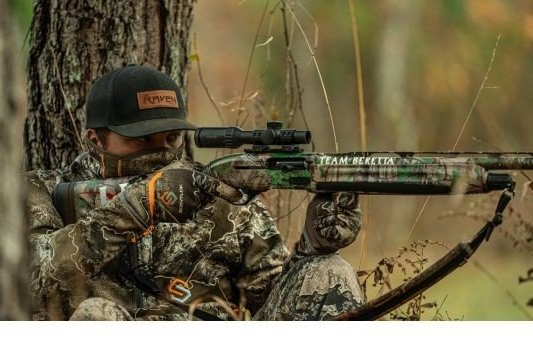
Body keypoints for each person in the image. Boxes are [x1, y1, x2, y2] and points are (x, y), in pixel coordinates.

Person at [27, 64, 364, 320]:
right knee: (97, 315)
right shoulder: (40, 192)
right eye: (142, 139)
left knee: (329, 270)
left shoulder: (223, 196)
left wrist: (312, 246)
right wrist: (141, 205)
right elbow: (25, 283)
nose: (161, 151)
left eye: (171, 138)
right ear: (95, 138)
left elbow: (272, 302)